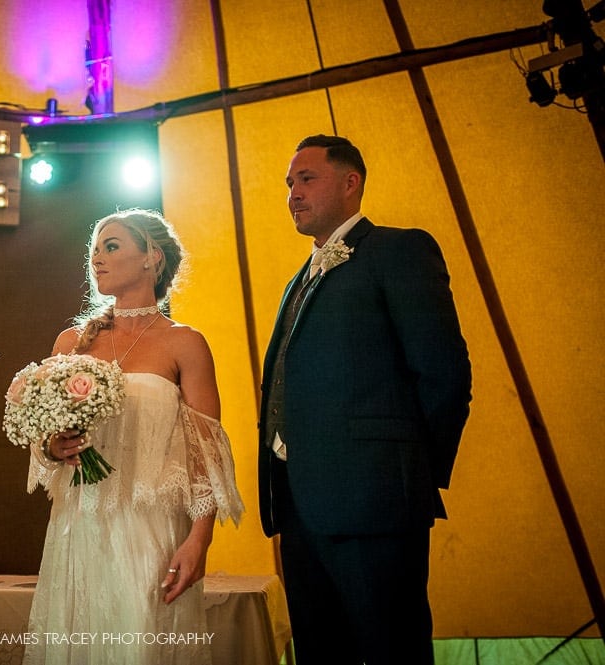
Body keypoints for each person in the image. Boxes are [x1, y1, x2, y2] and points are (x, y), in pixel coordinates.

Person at [258, 135, 472, 665]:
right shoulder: (296, 281)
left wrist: (409, 473)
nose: (293, 194)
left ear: (350, 182)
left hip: (377, 501)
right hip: (299, 504)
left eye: (307, 178)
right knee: (318, 650)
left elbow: (444, 374)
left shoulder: (399, 250)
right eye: (289, 183)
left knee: (389, 648)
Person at [23, 208, 244, 665]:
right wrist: (53, 446)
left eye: (112, 246)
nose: (97, 259)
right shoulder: (70, 343)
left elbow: (207, 452)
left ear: (152, 258)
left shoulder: (185, 342)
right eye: (95, 250)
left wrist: (199, 539)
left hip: (151, 525)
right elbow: (43, 435)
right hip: (79, 523)